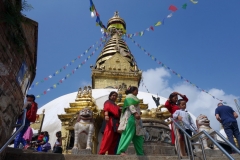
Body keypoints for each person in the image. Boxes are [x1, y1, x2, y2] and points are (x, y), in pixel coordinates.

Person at [117, 86, 144, 156]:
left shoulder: (134, 97)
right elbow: (130, 105)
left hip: (136, 120)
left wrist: (138, 112)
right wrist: (135, 113)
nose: (137, 92)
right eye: (136, 90)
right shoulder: (129, 96)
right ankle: (121, 150)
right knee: (127, 133)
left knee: (138, 136)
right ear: (133, 90)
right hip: (131, 117)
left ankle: (140, 153)